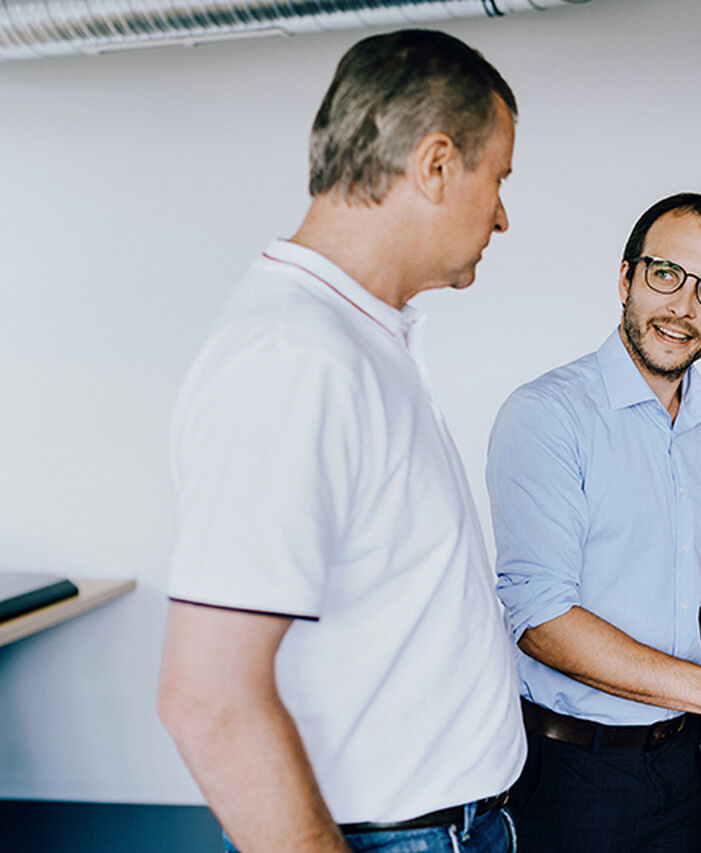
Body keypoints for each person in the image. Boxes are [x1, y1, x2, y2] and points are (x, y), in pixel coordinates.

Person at [157, 30, 525, 853]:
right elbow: (207, 699)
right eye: (497, 177)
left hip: (446, 827)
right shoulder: (296, 360)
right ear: (435, 165)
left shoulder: (356, 338)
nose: (502, 213)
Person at [486, 192, 701, 852]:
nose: (683, 306)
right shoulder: (546, 416)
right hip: (572, 770)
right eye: (664, 274)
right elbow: (542, 622)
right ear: (626, 278)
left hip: (684, 759)